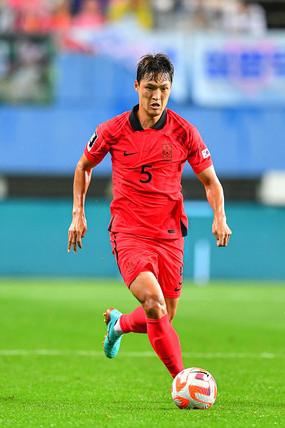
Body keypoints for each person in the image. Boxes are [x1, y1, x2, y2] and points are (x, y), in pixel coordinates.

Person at [67, 53, 232, 378]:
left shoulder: (184, 133)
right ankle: (182, 380)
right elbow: (83, 166)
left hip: (170, 234)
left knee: (164, 316)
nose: (156, 96)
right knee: (154, 303)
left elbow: (211, 181)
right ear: (137, 86)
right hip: (129, 233)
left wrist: (220, 216)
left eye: (164, 88)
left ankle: (120, 323)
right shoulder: (112, 130)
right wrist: (78, 212)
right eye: (150, 87)